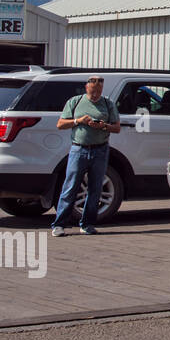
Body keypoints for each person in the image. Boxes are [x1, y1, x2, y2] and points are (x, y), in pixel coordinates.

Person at [51, 76, 121, 235]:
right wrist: (79, 121)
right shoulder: (75, 102)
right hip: (79, 149)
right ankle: (59, 224)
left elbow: (117, 128)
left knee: (95, 188)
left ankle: (87, 223)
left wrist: (103, 126)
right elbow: (60, 124)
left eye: (98, 91)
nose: (95, 94)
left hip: (100, 150)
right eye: (92, 91)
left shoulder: (107, 104)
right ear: (86, 87)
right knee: (70, 187)